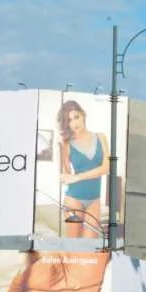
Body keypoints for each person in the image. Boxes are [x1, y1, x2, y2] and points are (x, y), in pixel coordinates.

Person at [57, 100, 110, 239]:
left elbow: (106, 168)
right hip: (73, 198)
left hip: (94, 200)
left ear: (83, 115)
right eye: (69, 120)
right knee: (73, 245)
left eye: (76, 117)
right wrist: (61, 149)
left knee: (89, 248)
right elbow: (66, 176)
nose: (74, 123)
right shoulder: (67, 144)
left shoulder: (101, 137)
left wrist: (77, 177)